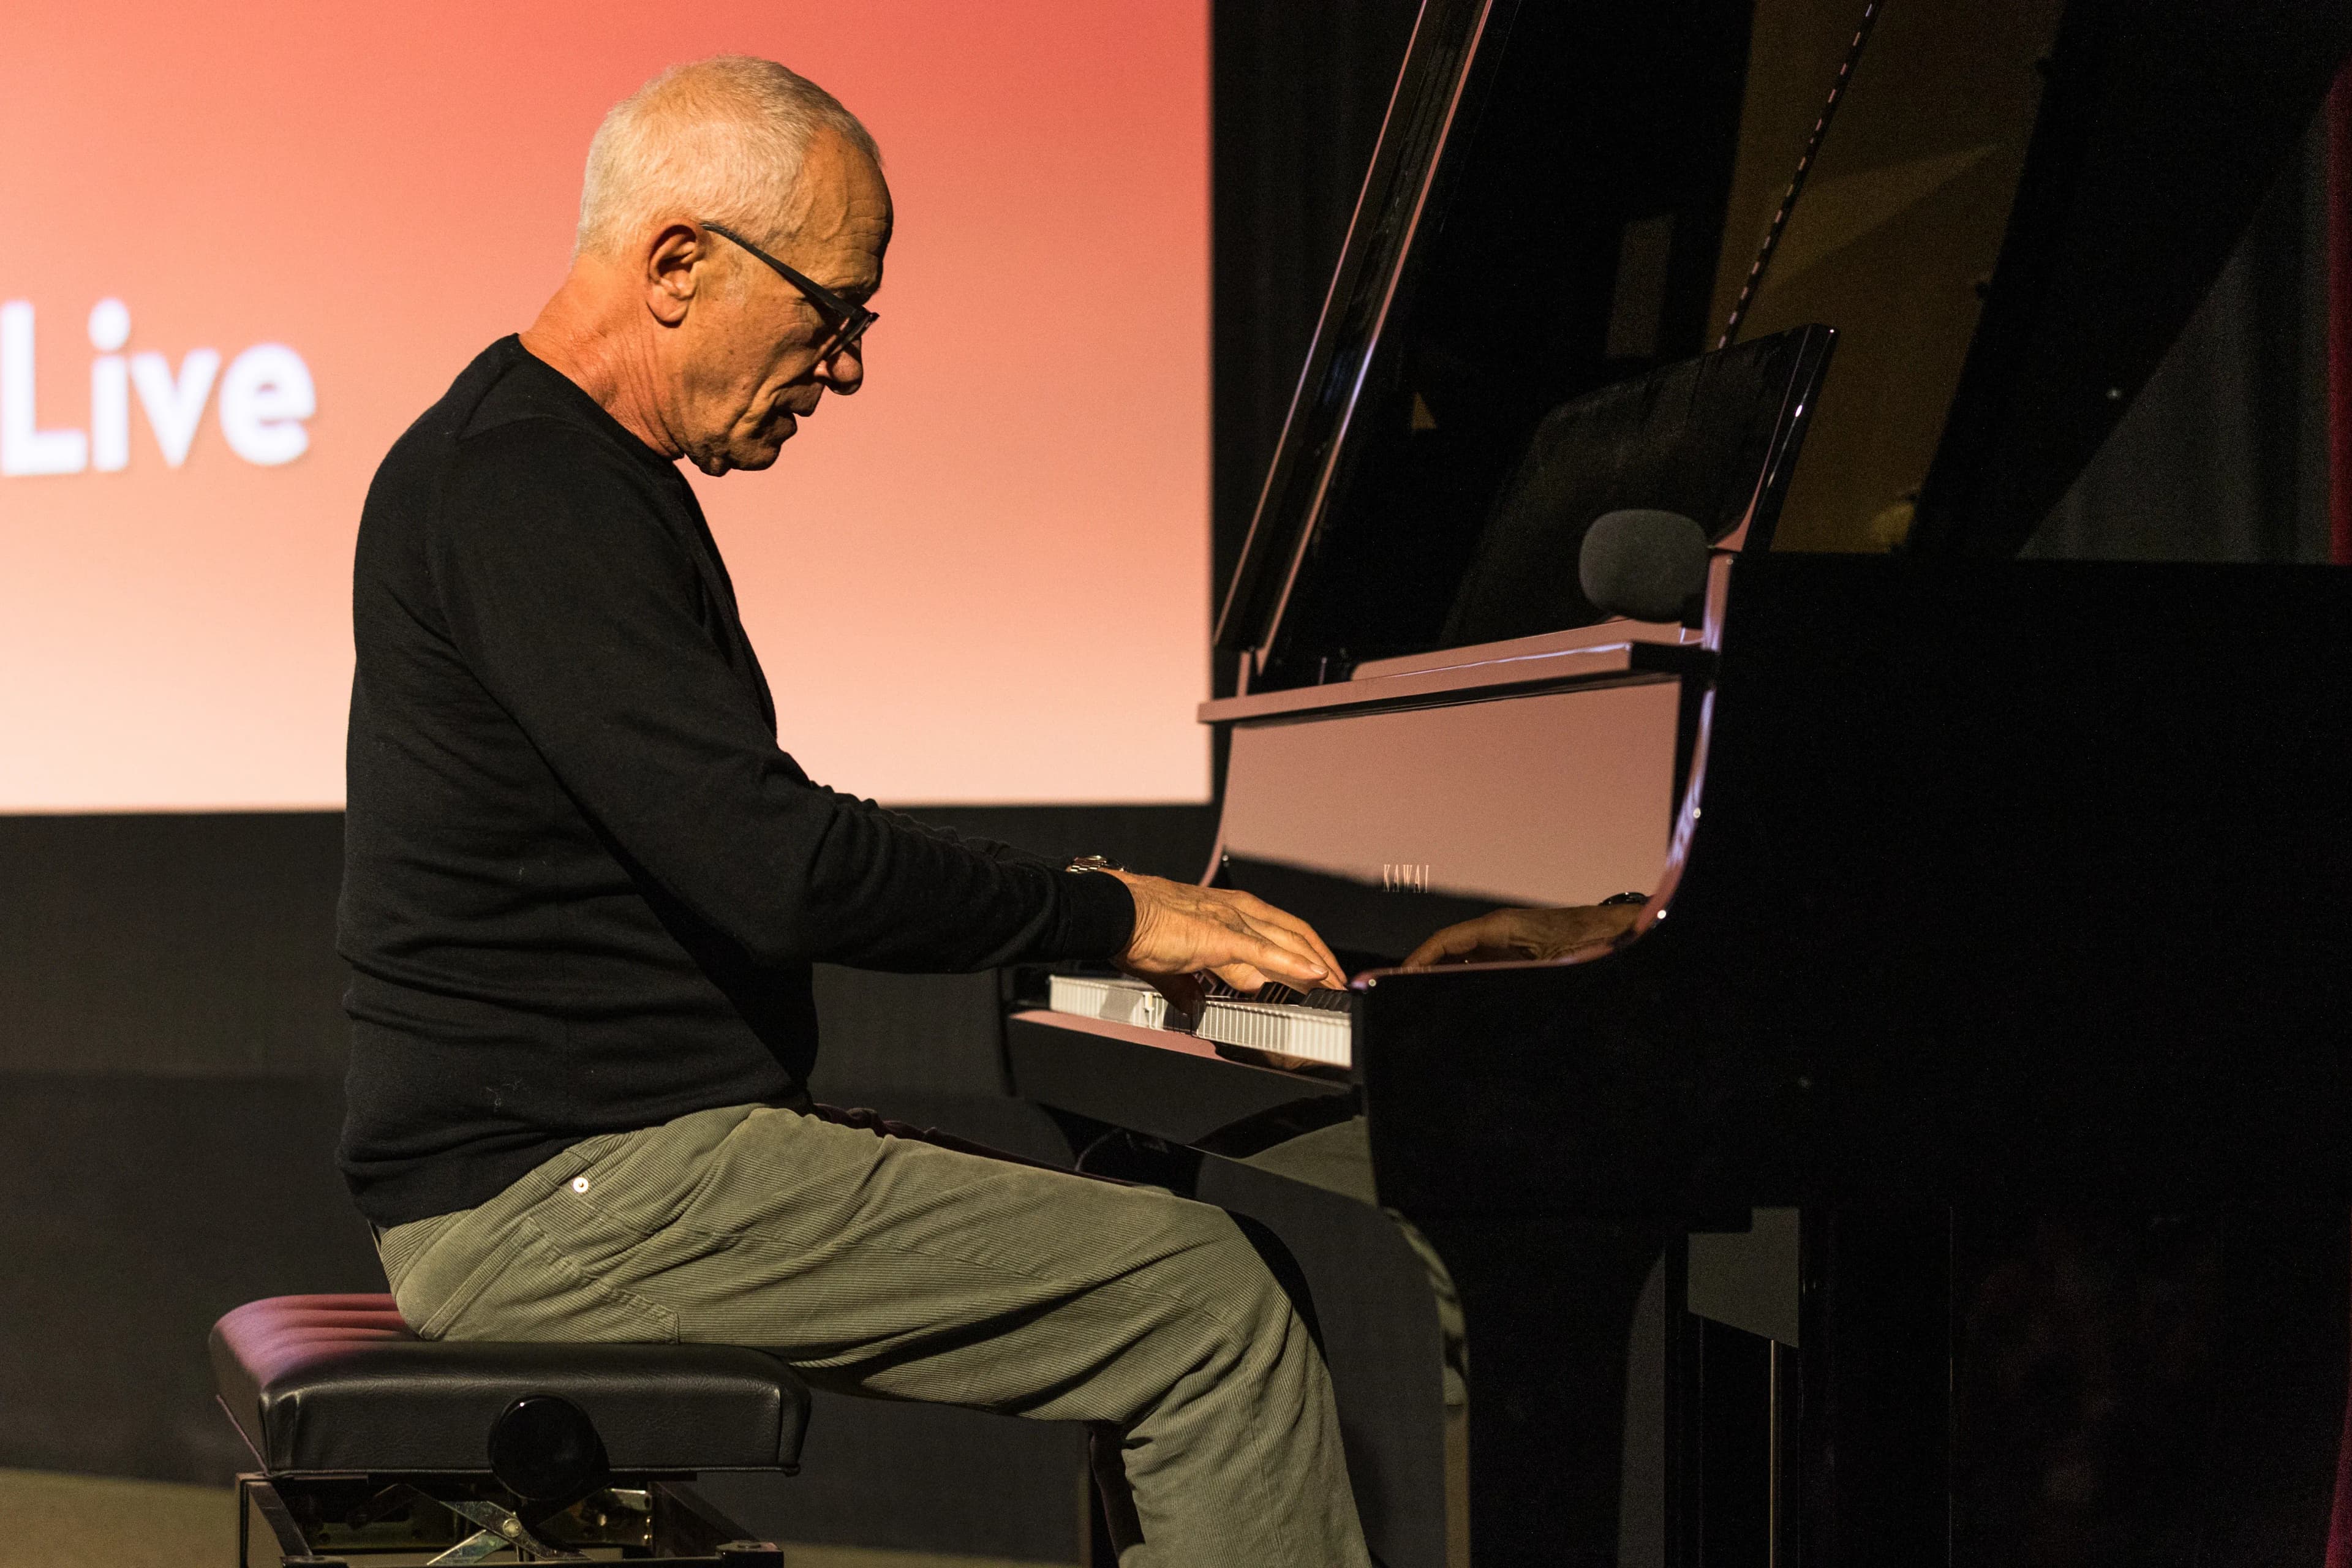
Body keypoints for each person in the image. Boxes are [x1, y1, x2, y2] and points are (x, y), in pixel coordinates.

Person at [337, 55, 1370, 1568]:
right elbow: (782, 865)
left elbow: (736, 847)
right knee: (1207, 1302)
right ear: (680, 263)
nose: (850, 365)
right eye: (835, 310)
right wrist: (1121, 912)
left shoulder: (557, 469)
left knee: (1156, 1244)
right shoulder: (524, 484)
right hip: (557, 1196)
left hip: (589, 1158)